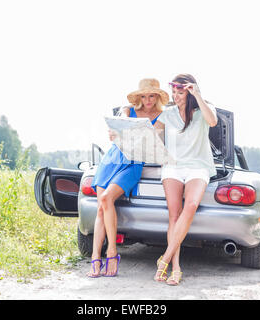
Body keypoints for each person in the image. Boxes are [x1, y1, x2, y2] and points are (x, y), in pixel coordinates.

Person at [87, 78, 169, 278]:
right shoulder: (127, 110)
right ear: (139, 97)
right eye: (144, 96)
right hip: (111, 160)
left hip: (134, 163)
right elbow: (115, 132)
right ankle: (95, 257)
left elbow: (154, 143)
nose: (148, 100)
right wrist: (116, 131)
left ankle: (112, 252)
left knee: (107, 199)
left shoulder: (162, 116)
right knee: (100, 208)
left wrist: (126, 135)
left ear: (157, 96)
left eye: (151, 96)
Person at [152, 73, 218, 285]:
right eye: (174, 92)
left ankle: (165, 260)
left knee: (190, 206)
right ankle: (176, 267)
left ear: (189, 93)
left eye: (180, 93)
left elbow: (213, 121)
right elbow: (150, 135)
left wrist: (197, 94)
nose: (176, 96)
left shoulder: (204, 110)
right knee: (174, 214)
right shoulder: (168, 113)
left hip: (198, 167)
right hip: (173, 167)